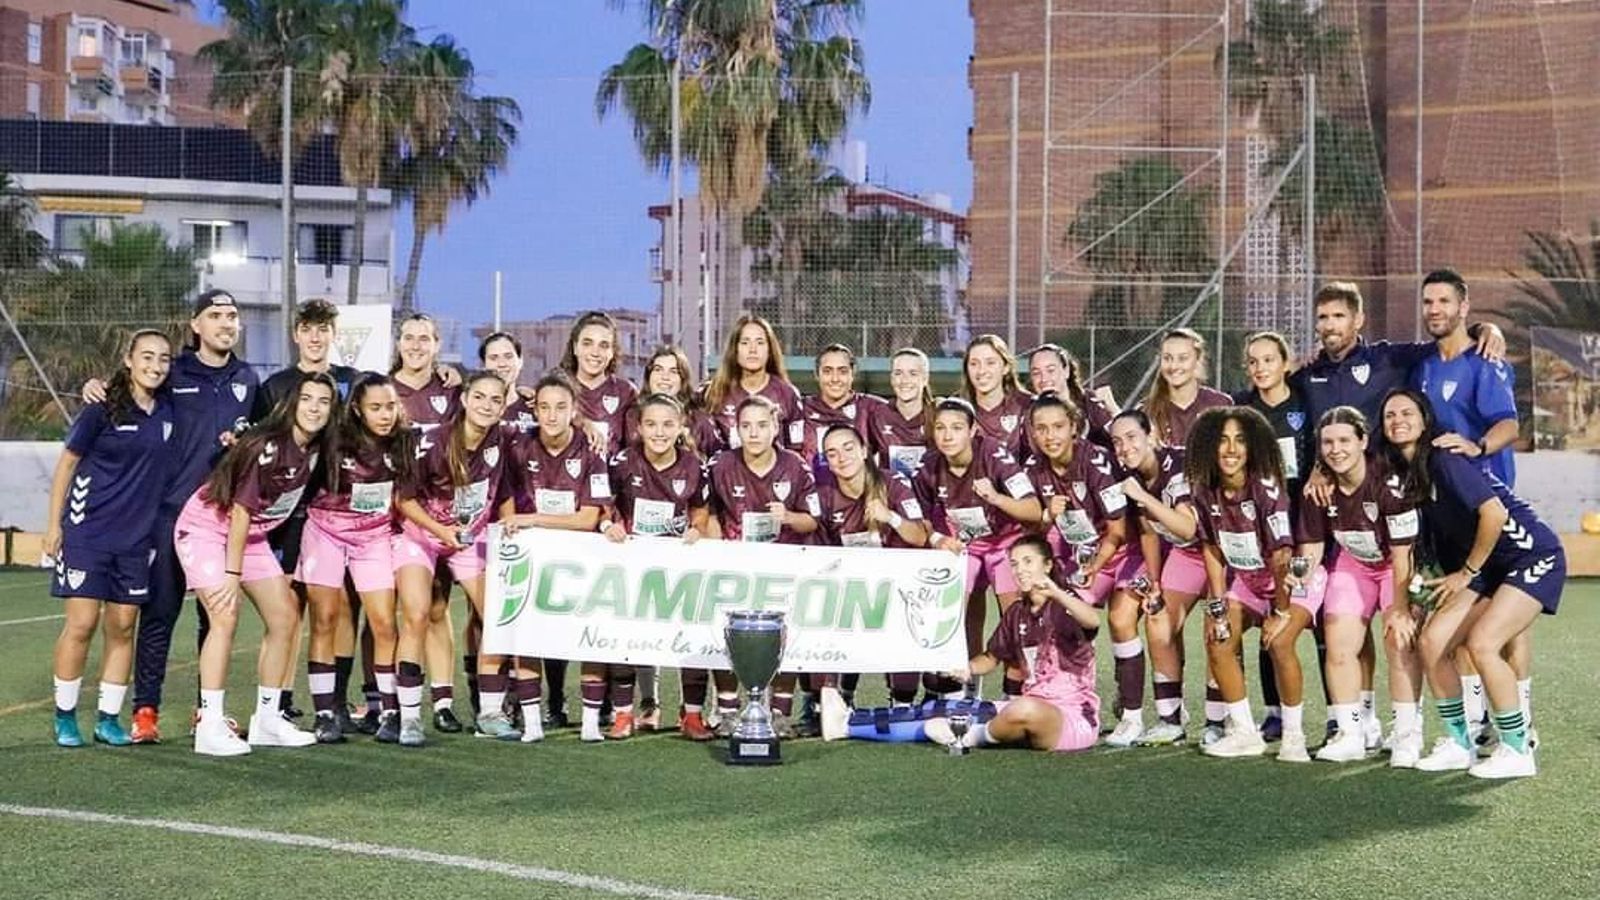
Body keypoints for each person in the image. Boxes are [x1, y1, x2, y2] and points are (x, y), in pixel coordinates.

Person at [1381, 389, 1564, 780]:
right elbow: (1423, 550)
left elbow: (1493, 514)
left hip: (1531, 557)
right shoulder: (1411, 478)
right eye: (1389, 415)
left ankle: (1517, 747)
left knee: (1482, 644)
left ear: (1425, 418)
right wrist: (1414, 598)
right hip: (1489, 567)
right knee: (1432, 642)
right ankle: (1458, 743)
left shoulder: (1446, 459)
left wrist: (1467, 572)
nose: (1397, 419)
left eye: (1406, 412)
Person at [108, 290, 258, 745]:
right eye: (215, 315)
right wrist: (99, 386)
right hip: (170, 513)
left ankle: (206, 711)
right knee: (160, 613)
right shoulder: (175, 372)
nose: (225, 323)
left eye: (232, 316)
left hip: (219, 518)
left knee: (216, 617)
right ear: (196, 325)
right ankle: (146, 711)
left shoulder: (248, 379)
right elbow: (130, 390)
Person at [173, 371, 335, 755]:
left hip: (252, 537)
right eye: (307, 398)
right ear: (291, 403)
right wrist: (231, 575)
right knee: (225, 616)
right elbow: (242, 511)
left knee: (285, 618)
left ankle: (267, 719)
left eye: (323, 401)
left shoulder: (317, 448)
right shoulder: (268, 444)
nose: (314, 408)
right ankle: (209, 725)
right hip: (208, 530)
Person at [1412, 269, 1530, 745]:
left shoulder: (1485, 361)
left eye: (1444, 301)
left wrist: (1477, 448)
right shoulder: (1421, 366)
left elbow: (1510, 424)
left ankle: (1523, 722)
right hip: (1448, 516)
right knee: (1464, 621)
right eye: (1427, 302)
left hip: (1492, 509)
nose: (1434, 309)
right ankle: (1481, 722)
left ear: (1464, 308)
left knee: (1509, 622)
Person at [45, 330, 176, 747]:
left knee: (122, 627)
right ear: (128, 360)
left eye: (164, 359)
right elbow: (67, 466)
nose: (155, 366)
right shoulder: (100, 408)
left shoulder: (169, 411)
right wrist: (54, 526)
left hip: (137, 541)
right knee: (81, 624)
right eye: (147, 357)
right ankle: (64, 716)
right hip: (87, 532)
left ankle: (107, 718)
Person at [253, 298, 362, 729]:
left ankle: (335, 701)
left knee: (340, 607)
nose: (316, 338)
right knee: (287, 608)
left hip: (338, 512)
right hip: (287, 516)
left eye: (324, 330)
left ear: (334, 335)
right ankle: (277, 699)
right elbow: (262, 444)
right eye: (308, 330)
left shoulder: (353, 382)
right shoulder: (275, 386)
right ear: (296, 334)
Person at [1294, 406, 1422, 765]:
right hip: (1355, 564)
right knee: (1338, 641)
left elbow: (1403, 556)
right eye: (1328, 443)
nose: (1336, 450)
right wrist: (1299, 580)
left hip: (1398, 564)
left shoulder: (1389, 484)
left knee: (1399, 639)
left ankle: (1408, 735)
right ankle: (1352, 733)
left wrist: (1399, 608)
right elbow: (1312, 548)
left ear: (1363, 441)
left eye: (1344, 440)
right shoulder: (1317, 490)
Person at [394, 372, 513, 746]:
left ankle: (490, 712)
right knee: (416, 614)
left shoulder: (502, 440)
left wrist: (508, 523)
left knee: (496, 616)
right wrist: (439, 530)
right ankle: (410, 718)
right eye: (479, 397)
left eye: (496, 400)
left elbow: (504, 489)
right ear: (464, 399)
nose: (487, 406)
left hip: (468, 536)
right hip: (420, 536)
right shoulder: (433, 442)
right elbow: (403, 499)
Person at [295, 374, 414, 744]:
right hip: (325, 533)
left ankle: (391, 712)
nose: (385, 415)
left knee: (383, 622)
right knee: (325, 620)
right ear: (358, 411)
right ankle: (326, 713)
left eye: (391, 406)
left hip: (374, 536)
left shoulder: (405, 443)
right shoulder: (335, 439)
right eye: (376, 408)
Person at [1186, 406, 1310, 760]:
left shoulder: (1266, 489)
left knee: (1281, 642)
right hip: (1250, 581)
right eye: (1222, 440)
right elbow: (1211, 548)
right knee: (1218, 636)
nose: (1230, 449)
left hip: (1293, 578)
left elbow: (1282, 557)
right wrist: (1218, 605)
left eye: (1240, 440)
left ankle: (1294, 736)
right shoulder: (1203, 490)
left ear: (1253, 446)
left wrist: (1281, 612)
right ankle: (1244, 732)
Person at [1021, 392, 1145, 746]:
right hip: (1084, 558)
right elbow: (1037, 532)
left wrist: (1094, 566)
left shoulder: (1097, 462)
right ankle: (1074, 699)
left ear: (1074, 427)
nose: (1050, 436)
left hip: (1123, 554)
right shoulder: (1034, 470)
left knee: (1121, 619)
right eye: (1041, 428)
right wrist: (1048, 517)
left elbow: (1119, 532)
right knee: (1064, 614)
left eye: (1058, 426)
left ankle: (1132, 714)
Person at [501, 372, 613, 742]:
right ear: (534, 409)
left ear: (574, 411)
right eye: (544, 407)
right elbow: (504, 504)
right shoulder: (518, 447)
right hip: (532, 555)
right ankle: (532, 722)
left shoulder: (591, 451)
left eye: (561, 407)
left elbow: (587, 518)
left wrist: (532, 518)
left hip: (580, 554)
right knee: (528, 633)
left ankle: (591, 723)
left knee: (588, 634)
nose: (551, 415)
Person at [705, 395, 820, 735]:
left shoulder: (796, 465)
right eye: (745, 426)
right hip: (735, 564)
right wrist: (715, 546)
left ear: (775, 427)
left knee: (782, 634)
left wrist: (789, 517)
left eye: (761, 425)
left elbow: (813, 521)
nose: (753, 433)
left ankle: (779, 711)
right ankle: (727, 709)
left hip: (783, 565)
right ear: (736, 429)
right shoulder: (721, 465)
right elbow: (708, 513)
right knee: (725, 631)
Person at [602, 392, 714, 739]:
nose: (659, 432)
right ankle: (623, 714)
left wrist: (696, 529)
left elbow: (700, 510)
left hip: (677, 566)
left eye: (668, 424)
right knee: (628, 635)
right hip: (632, 565)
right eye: (651, 424)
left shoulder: (694, 466)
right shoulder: (621, 462)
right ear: (639, 427)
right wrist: (609, 525)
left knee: (690, 635)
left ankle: (692, 715)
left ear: (680, 426)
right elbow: (605, 505)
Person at [923, 535, 1101, 753]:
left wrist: (1055, 591)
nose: (1019, 570)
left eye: (1028, 562)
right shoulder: (1017, 611)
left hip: (1072, 714)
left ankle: (975, 736)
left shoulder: (1066, 601)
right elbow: (991, 657)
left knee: (1024, 709)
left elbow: (1093, 620)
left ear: (1047, 565)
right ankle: (1002, 731)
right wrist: (966, 668)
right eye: (1014, 564)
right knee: (933, 724)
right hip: (1031, 701)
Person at [1232, 331, 1326, 743]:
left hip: (1309, 521)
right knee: (1272, 616)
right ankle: (1273, 713)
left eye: (1269, 360)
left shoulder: (1304, 398)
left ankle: (1343, 715)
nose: (1260, 368)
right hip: (1263, 528)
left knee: (1321, 621)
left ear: (1285, 363)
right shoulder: (1243, 407)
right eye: (1253, 361)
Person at [913, 398, 1042, 694]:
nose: (947, 435)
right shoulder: (930, 463)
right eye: (941, 428)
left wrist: (996, 498)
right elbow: (916, 516)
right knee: (956, 612)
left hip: (1004, 543)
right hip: (964, 545)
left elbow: (1033, 509)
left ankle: (1017, 691)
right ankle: (966, 686)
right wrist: (936, 538)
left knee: (1014, 616)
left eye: (957, 428)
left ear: (973, 431)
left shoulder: (995, 454)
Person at [817, 423, 932, 717]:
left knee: (901, 624)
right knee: (835, 607)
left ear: (864, 450)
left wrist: (890, 516)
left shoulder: (892, 483)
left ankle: (902, 702)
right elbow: (822, 548)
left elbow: (919, 536)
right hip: (854, 584)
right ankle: (837, 698)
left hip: (899, 581)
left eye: (848, 449)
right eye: (832, 453)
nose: (841, 458)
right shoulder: (826, 495)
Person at [389, 313, 466, 734]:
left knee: (436, 609)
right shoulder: (384, 388)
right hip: (393, 516)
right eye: (408, 338)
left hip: (439, 515)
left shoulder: (450, 391)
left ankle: (443, 700)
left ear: (437, 345)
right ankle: (394, 704)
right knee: (399, 614)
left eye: (424, 339)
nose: (415, 345)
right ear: (398, 343)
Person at [1109, 410, 1203, 746]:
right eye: (1117, 442)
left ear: (1151, 436)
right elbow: (1149, 531)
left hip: (1218, 551)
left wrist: (1143, 496)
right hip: (1186, 555)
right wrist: (1155, 579)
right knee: (1157, 616)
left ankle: (1223, 721)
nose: (1124, 447)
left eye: (1132, 437)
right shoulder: (1132, 473)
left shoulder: (1176, 465)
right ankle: (1170, 718)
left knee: (1222, 630)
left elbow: (1188, 526)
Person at [702, 314, 804, 453]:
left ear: (769, 349)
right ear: (735, 349)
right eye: (745, 343)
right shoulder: (715, 392)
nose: (752, 350)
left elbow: (796, 449)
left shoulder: (787, 393)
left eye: (760, 342)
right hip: (727, 472)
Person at [558, 311, 638, 459]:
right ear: (575, 347)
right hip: (562, 479)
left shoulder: (626, 392)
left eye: (604, 345)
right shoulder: (557, 388)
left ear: (612, 352)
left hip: (611, 479)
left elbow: (635, 449)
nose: (595, 352)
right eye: (587, 343)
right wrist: (581, 423)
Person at [796, 344, 886, 476]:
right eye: (827, 371)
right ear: (816, 374)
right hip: (812, 492)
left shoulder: (873, 408)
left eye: (842, 371)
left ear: (852, 373)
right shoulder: (799, 409)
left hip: (859, 493)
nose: (835, 379)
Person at [1143, 328, 1230, 449]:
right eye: (1167, 358)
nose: (1173, 366)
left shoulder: (1220, 404)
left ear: (1198, 360)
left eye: (1183, 358)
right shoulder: (1146, 410)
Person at [631, 346, 721, 457]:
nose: (665, 377)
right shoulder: (631, 416)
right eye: (658, 369)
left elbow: (718, 462)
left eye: (673, 371)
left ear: (683, 379)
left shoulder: (701, 421)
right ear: (648, 376)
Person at [1026, 343, 1118, 446]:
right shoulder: (1029, 411)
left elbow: (1122, 437)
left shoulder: (1090, 402)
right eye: (1036, 373)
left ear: (1066, 371)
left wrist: (1114, 410)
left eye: (1051, 370)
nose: (1044, 379)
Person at [863, 346, 934, 478]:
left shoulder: (938, 415)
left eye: (913, 373)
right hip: (891, 496)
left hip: (931, 497)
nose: (904, 380)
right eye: (898, 373)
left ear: (925, 379)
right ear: (891, 378)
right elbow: (864, 460)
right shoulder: (878, 415)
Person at [961, 334, 1033, 460]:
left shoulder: (1027, 406)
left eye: (990, 363)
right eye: (974, 364)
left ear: (1006, 367)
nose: (981, 371)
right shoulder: (957, 408)